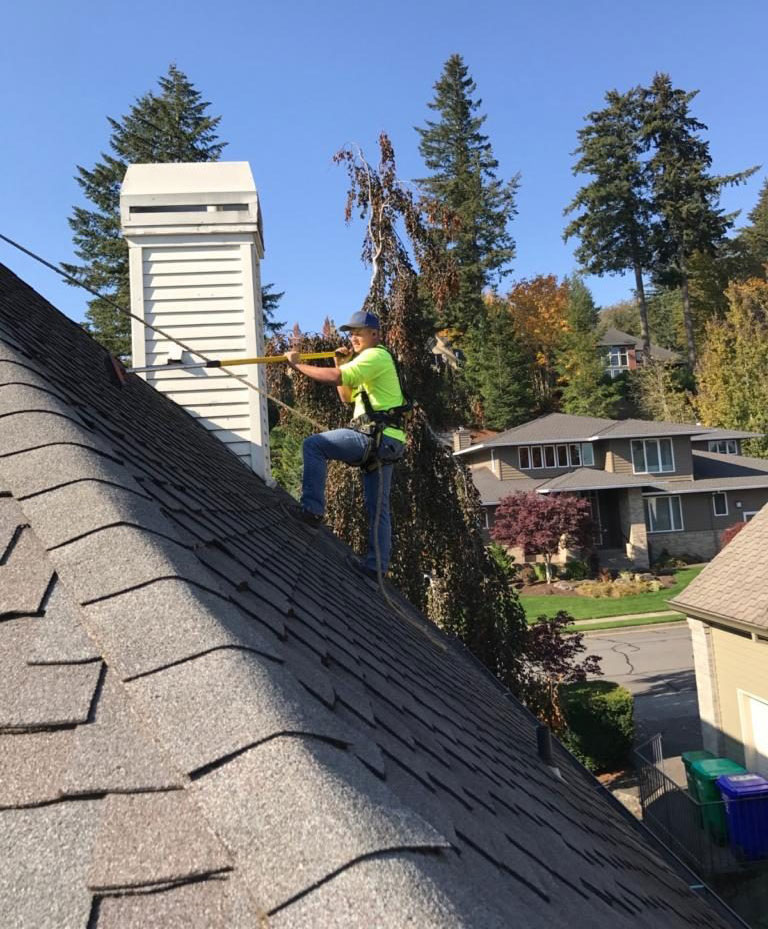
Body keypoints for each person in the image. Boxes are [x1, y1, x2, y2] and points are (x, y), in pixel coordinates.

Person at [284, 311, 407, 579]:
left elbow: (335, 377)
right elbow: (346, 396)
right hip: (387, 441)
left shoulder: (376, 356)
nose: (353, 338)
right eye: (350, 333)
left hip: (376, 437)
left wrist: (297, 366)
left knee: (314, 445)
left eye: (358, 333)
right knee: (378, 509)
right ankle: (377, 567)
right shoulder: (368, 361)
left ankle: (312, 511)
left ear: (374, 334)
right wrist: (339, 360)